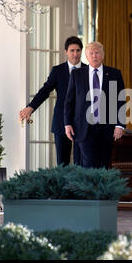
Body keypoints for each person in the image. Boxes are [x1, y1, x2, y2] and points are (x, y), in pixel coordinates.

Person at [19, 36, 86, 166]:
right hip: (61, 121)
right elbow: (45, 91)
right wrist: (31, 107)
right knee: (62, 163)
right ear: (66, 51)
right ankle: (63, 187)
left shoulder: (87, 71)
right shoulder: (58, 71)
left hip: (82, 122)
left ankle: (80, 187)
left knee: (81, 162)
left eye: (78, 50)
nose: (75, 54)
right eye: (72, 50)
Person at [64, 41, 126, 169]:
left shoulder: (114, 74)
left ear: (102, 55)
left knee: (104, 163)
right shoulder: (77, 74)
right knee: (89, 163)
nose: (94, 56)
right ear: (86, 56)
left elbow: (120, 101)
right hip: (84, 127)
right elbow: (69, 101)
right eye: (91, 53)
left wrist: (120, 125)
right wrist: (67, 124)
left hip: (107, 127)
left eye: (97, 53)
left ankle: (100, 189)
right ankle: (89, 189)